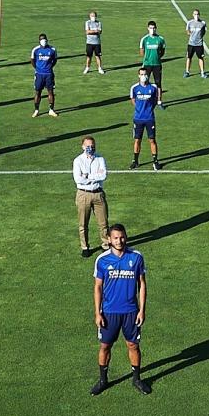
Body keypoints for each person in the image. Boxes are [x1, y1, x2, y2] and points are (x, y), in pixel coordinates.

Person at [90, 223, 150, 396]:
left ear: (126, 237)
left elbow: (142, 285)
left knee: (133, 345)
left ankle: (137, 379)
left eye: (122, 237)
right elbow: (98, 288)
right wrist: (97, 313)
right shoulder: (102, 260)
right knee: (105, 346)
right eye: (115, 238)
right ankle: (103, 380)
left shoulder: (136, 257)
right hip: (109, 312)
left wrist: (142, 310)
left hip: (131, 312)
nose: (119, 240)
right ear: (109, 239)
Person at [73, 136, 110, 258]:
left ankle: (105, 245)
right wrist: (94, 176)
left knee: (103, 222)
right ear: (83, 147)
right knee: (83, 223)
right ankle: (85, 247)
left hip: (98, 194)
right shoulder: (78, 161)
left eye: (92, 145)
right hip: (83, 194)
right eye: (88, 146)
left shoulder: (100, 159)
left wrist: (88, 176)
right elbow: (78, 179)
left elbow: (103, 175)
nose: (90, 148)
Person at [130, 68, 162, 170]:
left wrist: (149, 109)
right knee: (137, 140)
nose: (144, 76)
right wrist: (139, 109)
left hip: (149, 118)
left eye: (145, 74)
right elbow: (133, 100)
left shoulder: (153, 87)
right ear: (138, 75)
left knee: (152, 140)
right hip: (138, 118)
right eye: (142, 74)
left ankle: (155, 161)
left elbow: (155, 99)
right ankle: (135, 161)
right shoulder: (134, 88)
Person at [31, 34, 60, 118]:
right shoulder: (35, 50)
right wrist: (37, 68)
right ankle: (36, 110)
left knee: (50, 92)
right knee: (38, 92)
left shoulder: (52, 49)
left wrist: (49, 67)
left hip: (49, 74)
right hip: (39, 74)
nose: (43, 41)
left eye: (45, 39)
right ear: (39, 41)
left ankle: (51, 110)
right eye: (41, 39)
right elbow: (32, 60)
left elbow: (55, 60)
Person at [183, 8, 209, 78]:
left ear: (199, 15)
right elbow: (187, 30)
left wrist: (200, 37)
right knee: (189, 57)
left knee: (201, 58)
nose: (196, 16)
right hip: (191, 44)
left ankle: (202, 72)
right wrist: (189, 33)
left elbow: (204, 31)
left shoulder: (203, 23)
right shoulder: (190, 22)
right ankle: (187, 72)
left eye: (197, 14)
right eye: (195, 14)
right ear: (193, 15)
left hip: (199, 44)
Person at [139, 21, 167, 88]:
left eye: (154, 28)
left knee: (158, 82)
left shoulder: (160, 39)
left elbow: (162, 51)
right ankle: (146, 97)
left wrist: (157, 57)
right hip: (147, 64)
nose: (152, 29)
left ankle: (159, 98)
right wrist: (147, 58)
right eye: (151, 28)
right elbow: (141, 51)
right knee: (144, 81)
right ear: (148, 28)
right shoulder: (144, 39)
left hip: (157, 64)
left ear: (156, 28)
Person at [83, 9, 105, 74]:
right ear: (89, 16)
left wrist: (92, 31)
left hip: (97, 43)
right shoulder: (87, 22)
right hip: (89, 43)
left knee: (98, 56)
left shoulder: (99, 23)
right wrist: (95, 31)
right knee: (88, 56)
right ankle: (87, 68)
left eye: (94, 16)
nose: (93, 17)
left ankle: (100, 68)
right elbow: (87, 32)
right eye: (92, 16)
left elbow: (100, 31)